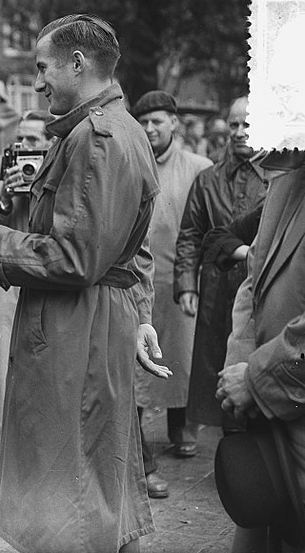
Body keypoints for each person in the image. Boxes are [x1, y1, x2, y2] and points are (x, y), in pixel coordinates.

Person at [0, 14, 170, 553]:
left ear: (77, 64)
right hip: (90, 323)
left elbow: (76, 258)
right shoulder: (113, 129)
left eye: (42, 68)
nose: (36, 82)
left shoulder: (98, 138)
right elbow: (115, 249)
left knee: (68, 488)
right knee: (94, 477)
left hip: (75, 331)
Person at [216, 152, 305, 553]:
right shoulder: (286, 181)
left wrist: (256, 379)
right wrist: (241, 366)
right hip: (270, 421)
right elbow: (254, 281)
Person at [130, 91, 213, 499]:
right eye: (144, 122)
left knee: (182, 356)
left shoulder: (199, 168)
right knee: (143, 363)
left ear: (174, 123)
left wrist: (192, 280)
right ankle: (138, 438)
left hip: (182, 281)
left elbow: (204, 227)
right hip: (140, 281)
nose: (149, 129)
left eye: (157, 122)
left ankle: (182, 427)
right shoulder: (133, 162)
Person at [175, 96, 267, 436]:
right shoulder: (208, 179)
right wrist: (187, 283)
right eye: (234, 125)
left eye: (248, 125)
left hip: (258, 286)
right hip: (216, 288)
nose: (240, 132)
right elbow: (190, 233)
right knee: (219, 367)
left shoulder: (277, 179)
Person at [0, 109, 56, 426]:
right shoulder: (7, 169)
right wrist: (5, 195)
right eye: (20, 138)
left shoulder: (61, 171)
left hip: (46, 281)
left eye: (32, 139)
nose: (23, 145)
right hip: (10, 283)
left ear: (50, 143)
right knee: (3, 368)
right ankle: (3, 445)